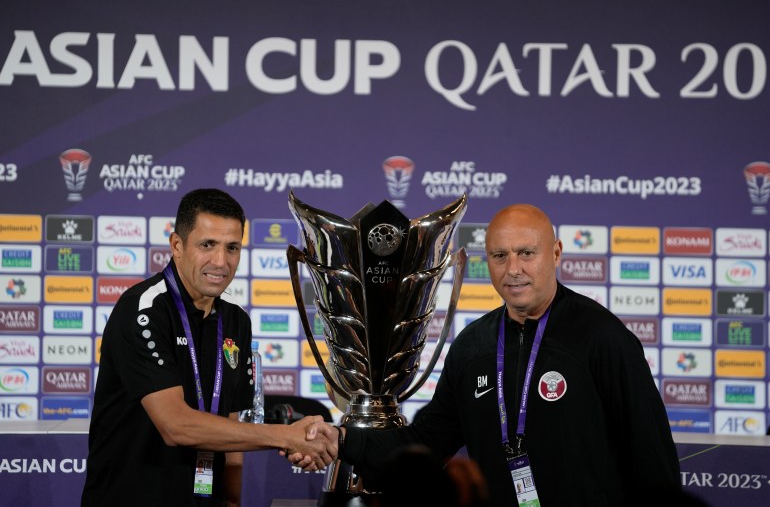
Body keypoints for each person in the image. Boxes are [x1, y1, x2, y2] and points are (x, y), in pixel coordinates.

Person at [300, 203, 681, 506]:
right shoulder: (474, 345)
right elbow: (426, 443)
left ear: (556, 252)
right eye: (499, 256)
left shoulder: (602, 337)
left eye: (526, 253)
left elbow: (652, 460)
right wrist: (342, 439)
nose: (513, 269)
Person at [81, 188, 334, 507]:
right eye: (207, 245)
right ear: (177, 245)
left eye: (232, 248)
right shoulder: (142, 310)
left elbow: (231, 433)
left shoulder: (236, 321)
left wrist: (231, 502)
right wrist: (285, 436)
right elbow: (175, 426)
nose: (221, 261)